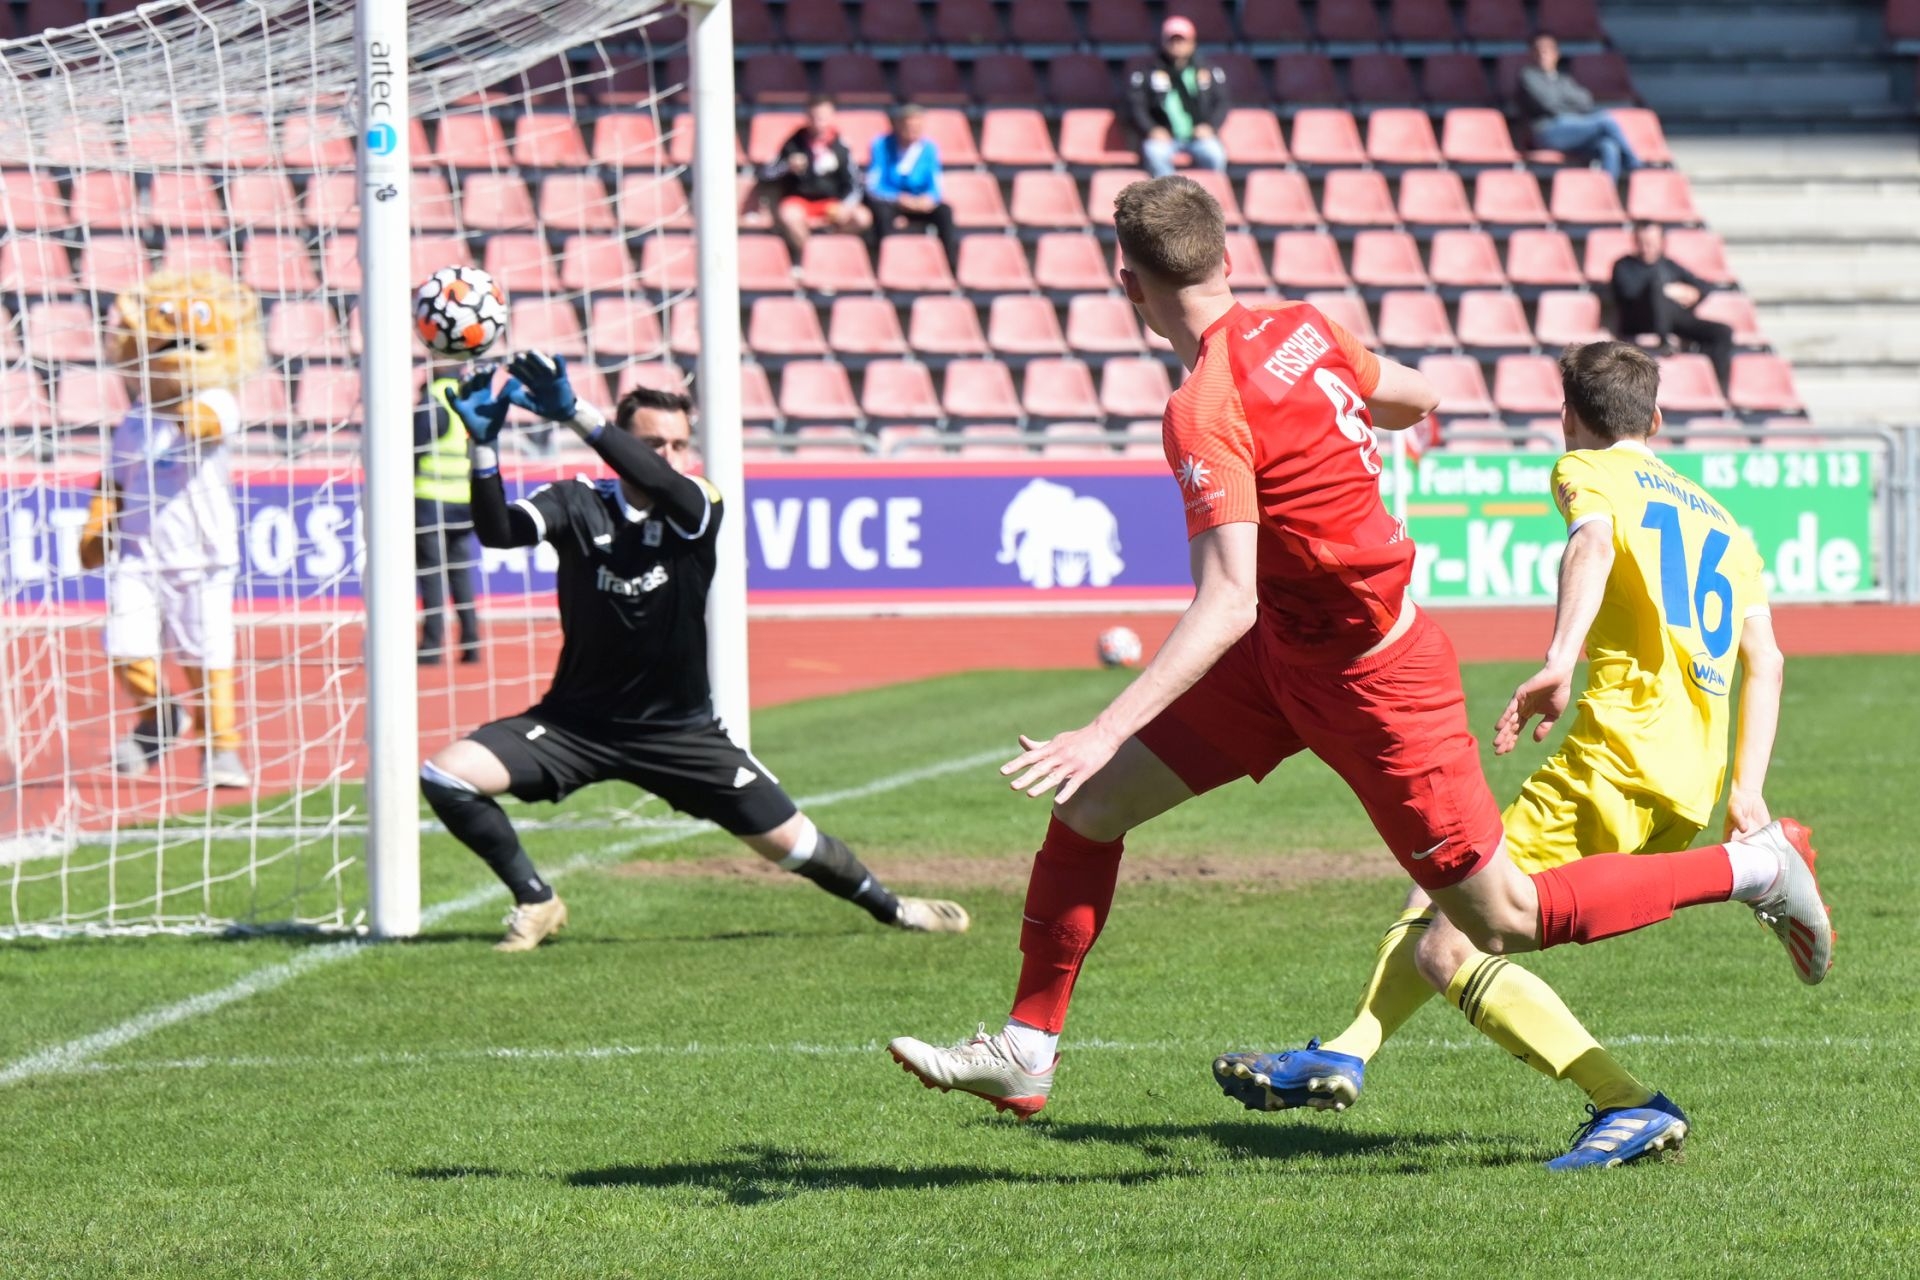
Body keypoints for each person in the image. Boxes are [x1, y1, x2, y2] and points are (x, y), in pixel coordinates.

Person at [884, 177, 1831, 1143]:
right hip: (1283, 659)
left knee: (1500, 919)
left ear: (1129, 285)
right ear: (1227, 258)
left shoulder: (1203, 408)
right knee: (1091, 808)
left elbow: (1226, 598)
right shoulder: (1302, 327)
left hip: (1378, 681)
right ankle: (1027, 1047)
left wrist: (1104, 725)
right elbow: (1417, 397)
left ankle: (1749, 868)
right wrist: (1332, 420)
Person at [1214, 341, 1787, 1169]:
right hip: (1689, 779)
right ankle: (1347, 1049)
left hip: (1615, 762)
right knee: (1443, 881)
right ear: (1657, 419)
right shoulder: (1724, 522)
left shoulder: (1587, 469)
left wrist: (1559, 659)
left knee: (1453, 943)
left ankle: (1627, 1101)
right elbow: (1766, 659)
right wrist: (1747, 790)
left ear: (1569, 417)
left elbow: (1592, 544)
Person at [423, 352, 970, 952]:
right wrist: (483, 448)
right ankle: (536, 900)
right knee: (447, 775)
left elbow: (660, 482)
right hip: (576, 723)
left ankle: (894, 908)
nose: (669, 456)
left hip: (679, 732)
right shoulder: (577, 500)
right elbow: (499, 532)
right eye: (653, 444)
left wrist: (576, 413)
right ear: (621, 444)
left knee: (794, 845)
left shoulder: (697, 502)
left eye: (679, 445)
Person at [81, 269, 263, 790]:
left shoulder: (218, 399)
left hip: (203, 556)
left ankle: (220, 747)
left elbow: (202, 424)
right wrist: (99, 522)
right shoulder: (135, 418)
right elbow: (116, 477)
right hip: (139, 554)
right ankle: (160, 716)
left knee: (205, 655)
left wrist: (177, 384)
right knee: (123, 646)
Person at [1611, 220, 1735, 393]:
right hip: (1641, 320)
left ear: (1662, 242)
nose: (1647, 247)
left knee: (1722, 332)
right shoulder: (1624, 266)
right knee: (1656, 288)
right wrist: (1665, 290)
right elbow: (1627, 293)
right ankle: (1665, 342)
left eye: (1651, 243)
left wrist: (1692, 293)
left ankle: (1719, 389)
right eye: (1642, 242)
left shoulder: (1668, 265)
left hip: (1674, 320)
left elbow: (1703, 287)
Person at [414, 366, 482, 665]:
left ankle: (431, 646)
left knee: (431, 574)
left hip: (430, 498)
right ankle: (471, 642)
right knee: (460, 572)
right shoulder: (468, 395)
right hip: (463, 498)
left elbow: (414, 449)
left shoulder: (433, 399)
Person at [1515, 33, 1641, 182]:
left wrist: (1562, 102)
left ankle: (1606, 192)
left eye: (1548, 50)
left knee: (1608, 146)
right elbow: (1548, 104)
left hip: (1573, 128)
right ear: (1531, 53)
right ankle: (1635, 165)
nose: (1543, 54)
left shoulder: (1564, 80)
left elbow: (1586, 101)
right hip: (1547, 131)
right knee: (1605, 120)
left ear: (1556, 54)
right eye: (1538, 50)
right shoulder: (1528, 77)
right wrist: (1568, 102)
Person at [760, 94, 871, 262]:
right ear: (807, 117)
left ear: (832, 117)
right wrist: (787, 166)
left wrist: (846, 205)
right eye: (814, 117)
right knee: (789, 216)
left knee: (862, 218)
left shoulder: (841, 145)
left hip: (832, 203)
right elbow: (766, 173)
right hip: (800, 200)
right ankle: (811, 260)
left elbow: (854, 182)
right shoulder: (794, 142)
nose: (819, 122)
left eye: (823, 117)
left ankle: (827, 247)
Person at [1127, 15, 1229, 179]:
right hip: (1164, 137)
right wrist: (1151, 129)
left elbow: (1222, 102)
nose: (1176, 45)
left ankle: (1207, 194)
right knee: (1155, 154)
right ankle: (1169, 195)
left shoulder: (1207, 71)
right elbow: (1136, 105)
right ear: (1163, 42)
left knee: (1214, 154)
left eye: (1182, 40)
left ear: (1192, 42)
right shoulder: (1147, 72)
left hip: (1198, 136)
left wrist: (1211, 127)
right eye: (1172, 40)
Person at [864, 103, 958, 264]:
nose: (913, 131)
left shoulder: (929, 149)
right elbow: (874, 185)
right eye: (909, 126)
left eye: (917, 127)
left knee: (944, 211)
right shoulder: (881, 146)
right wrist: (898, 198)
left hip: (918, 202)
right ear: (898, 125)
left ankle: (950, 265)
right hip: (892, 202)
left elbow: (935, 183)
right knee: (881, 213)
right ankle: (885, 262)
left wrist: (929, 199)